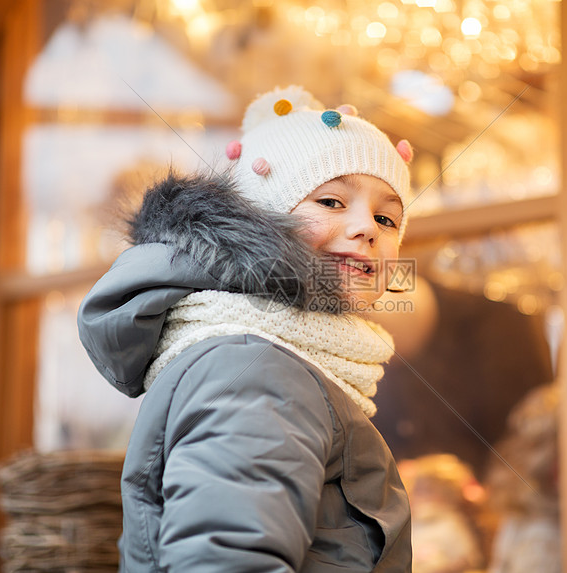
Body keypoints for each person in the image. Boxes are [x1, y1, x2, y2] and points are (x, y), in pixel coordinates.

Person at [77, 85, 414, 572]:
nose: (367, 227)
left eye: (387, 217)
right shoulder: (257, 367)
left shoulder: (280, 360)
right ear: (262, 220)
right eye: (332, 202)